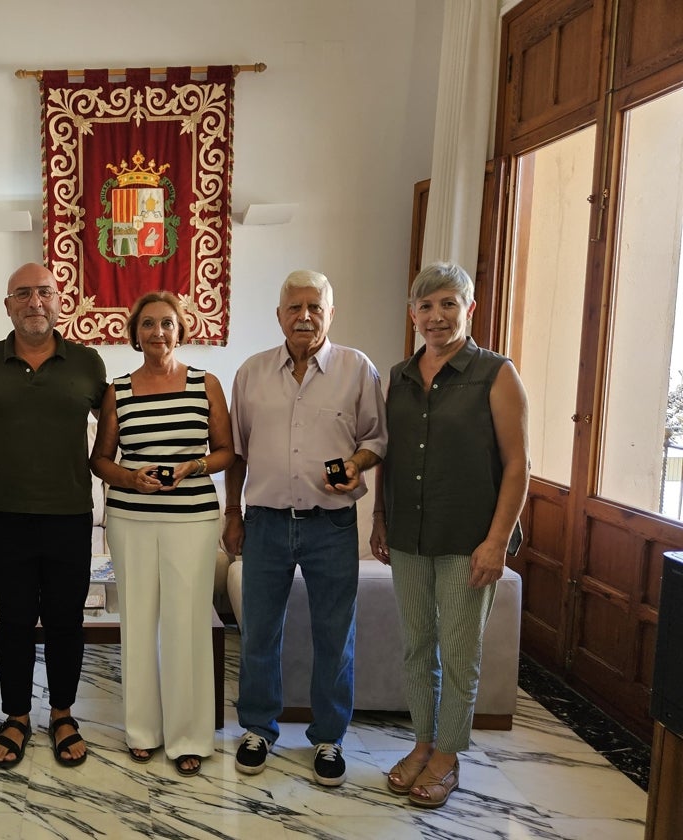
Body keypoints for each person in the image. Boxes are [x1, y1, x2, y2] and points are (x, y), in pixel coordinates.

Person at [369, 262, 529, 808]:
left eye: (448, 304)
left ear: (469, 309)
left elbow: (517, 466)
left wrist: (497, 541)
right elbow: (387, 457)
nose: (437, 316)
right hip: (410, 536)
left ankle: (448, 755)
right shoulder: (399, 375)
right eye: (427, 306)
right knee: (417, 648)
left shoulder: (496, 373)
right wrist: (380, 521)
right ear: (413, 314)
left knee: (459, 652)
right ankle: (422, 742)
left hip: (470, 539)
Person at [223, 269, 387, 786]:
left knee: (335, 636)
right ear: (279, 315)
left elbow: (376, 439)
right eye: (295, 307)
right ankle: (257, 728)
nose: (305, 316)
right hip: (266, 523)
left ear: (330, 314)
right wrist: (232, 513)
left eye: (315, 307)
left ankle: (329, 739)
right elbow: (236, 453)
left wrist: (355, 464)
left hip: (332, 526)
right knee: (259, 633)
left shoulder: (357, 369)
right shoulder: (250, 373)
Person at [0, 262, 107, 769]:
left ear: (59, 300)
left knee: (67, 621)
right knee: (14, 621)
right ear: (8, 305)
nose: (34, 302)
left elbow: (111, 436)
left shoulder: (88, 363)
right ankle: (17, 715)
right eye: (22, 293)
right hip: (8, 515)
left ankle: (63, 713)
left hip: (70, 515)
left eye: (43, 292)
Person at [89, 291, 234, 777]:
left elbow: (226, 452)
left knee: (187, 622)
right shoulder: (118, 389)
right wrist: (130, 478)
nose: (158, 332)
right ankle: (142, 731)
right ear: (135, 333)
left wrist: (191, 466)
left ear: (181, 328)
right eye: (147, 324)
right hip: (130, 518)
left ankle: (189, 736)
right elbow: (100, 460)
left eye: (167, 323)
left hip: (192, 518)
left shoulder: (205, 383)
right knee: (138, 621)